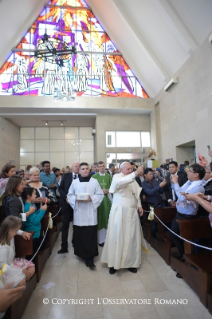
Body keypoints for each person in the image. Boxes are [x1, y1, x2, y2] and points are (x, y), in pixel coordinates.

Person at [101, 162, 146, 275]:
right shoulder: (117, 177)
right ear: (121, 169)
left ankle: (130, 263)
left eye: (131, 169)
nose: (130, 171)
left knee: (131, 237)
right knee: (117, 236)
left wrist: (139, 205)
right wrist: (135, 173)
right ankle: (113, 263)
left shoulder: (132, 178)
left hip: (131, 212)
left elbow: (135, 194)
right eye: (128, 169)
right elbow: (121, 183)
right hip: (119, 211)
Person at [67, 162, 104, 268]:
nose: (85, 170)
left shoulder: (94, 181)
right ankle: (82, 254)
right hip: (79, 212)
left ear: (90, 170)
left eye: (87, 168)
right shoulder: (75, 182)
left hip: (90, 212)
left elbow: (100, 194)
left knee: (90, 235)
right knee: (80, 234)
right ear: (79, 170)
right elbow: (69, 195)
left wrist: (91, 199)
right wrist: (75, 199)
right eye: (83, 169)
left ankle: (90, 258)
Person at [169, 164, 205, 263]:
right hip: (179, 214)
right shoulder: (189, 182)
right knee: (173, 234)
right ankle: (183, 254)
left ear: (196, 174)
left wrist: (176, 184)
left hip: (188, 216)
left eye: (190, 171)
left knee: (186, 238)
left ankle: (186, 257)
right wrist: (174, 183)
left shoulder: (198, 187)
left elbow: (182, 197)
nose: (187, 173)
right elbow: (180, 191)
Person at [0, 216, 35, 288]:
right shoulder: (3, 247)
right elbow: (3, 268)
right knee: (22, 282)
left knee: (32, 267)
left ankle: (22, 279)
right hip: (5, 271)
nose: (17, 232)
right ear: (10, 230)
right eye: (16, 231)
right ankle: (19, 282)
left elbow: (16, 230)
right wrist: (21, 271)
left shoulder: (10, 234)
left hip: (12, 262)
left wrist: (22, 233)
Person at [58, 162, 80, 254]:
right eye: (76, 166)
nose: (77, 168)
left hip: (78, 204)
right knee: (65, 226)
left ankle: (75, 242)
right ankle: (64, 246)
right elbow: (60, 188)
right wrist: (66, 197)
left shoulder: (82, 177)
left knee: (76, 225)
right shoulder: (66, 176)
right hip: (66, 204)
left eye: (79, 166)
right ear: (72, 167)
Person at [141, 168, 167, 237]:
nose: (151, 176)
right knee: (153, 223)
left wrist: (163, 186)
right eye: (149, 174)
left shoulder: (155, 181)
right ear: (145, 175)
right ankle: (153, 238)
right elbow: (150, 192)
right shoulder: (143, 184)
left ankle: (163, 236)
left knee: (164, 220)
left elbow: (160, 192)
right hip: (152, 206)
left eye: (152, 174)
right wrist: (159, 186)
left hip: (161, 203)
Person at [92, 161, 112, 246]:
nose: (102, 168)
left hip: (107, 200)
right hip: (98, 201)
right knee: (100, 218)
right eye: (100, 166)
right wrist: (100, 191)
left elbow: (112, 187)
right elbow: (92, 189)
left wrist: (108, 191)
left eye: (103, 166)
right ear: (97, 168)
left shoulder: (109, 176)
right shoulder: (94, 177)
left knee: (107, 217)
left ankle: (108, 239)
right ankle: (100, 240)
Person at [22, 188, 47, 255]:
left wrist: (40, 209)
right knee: (32, 253)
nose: (36, 196)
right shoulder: (27, 207)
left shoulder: (31, 204)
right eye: (34, 194)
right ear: (28, 196)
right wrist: (42, 210)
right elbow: (35, 221)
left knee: (44, 243)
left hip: (36, 232)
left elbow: (35, 215)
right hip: (32, 233)